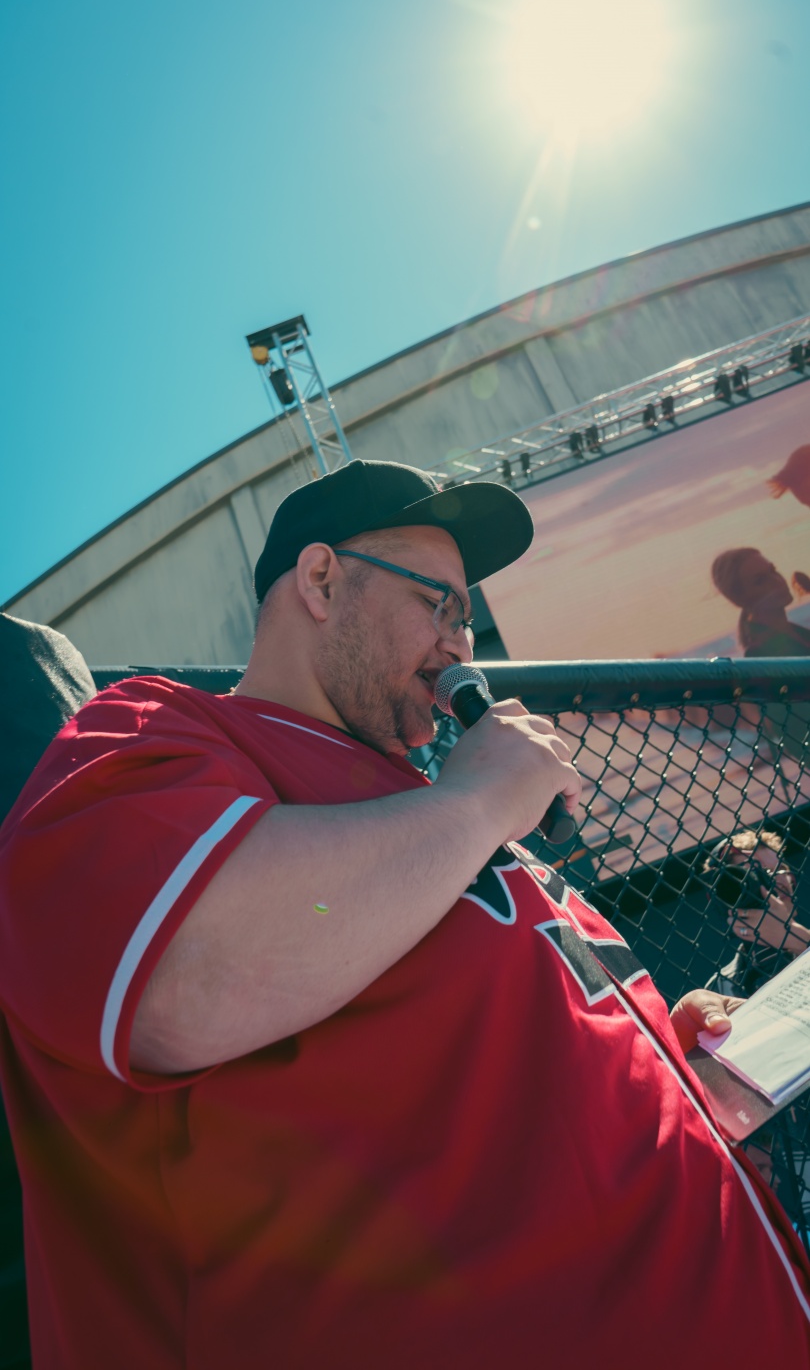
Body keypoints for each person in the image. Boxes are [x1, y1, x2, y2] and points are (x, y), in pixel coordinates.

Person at [1, 458, 810, 1370]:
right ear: (320, 580)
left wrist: (662, 1055)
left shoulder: (425, 804)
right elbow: (192, 974)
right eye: (442, 606)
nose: (461, 646)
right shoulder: (155, 734)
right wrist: (477, 802)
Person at [704, 827, 810, 997]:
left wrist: (797, 939)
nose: (775, 879)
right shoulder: (720, 988)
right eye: (757, 873)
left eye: (778, 869)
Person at [710, 546, 810, 657]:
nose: (777, 581)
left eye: (773, 571)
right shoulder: (761, 653)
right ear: (740, 599)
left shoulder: (793, 632)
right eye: (760, 580)